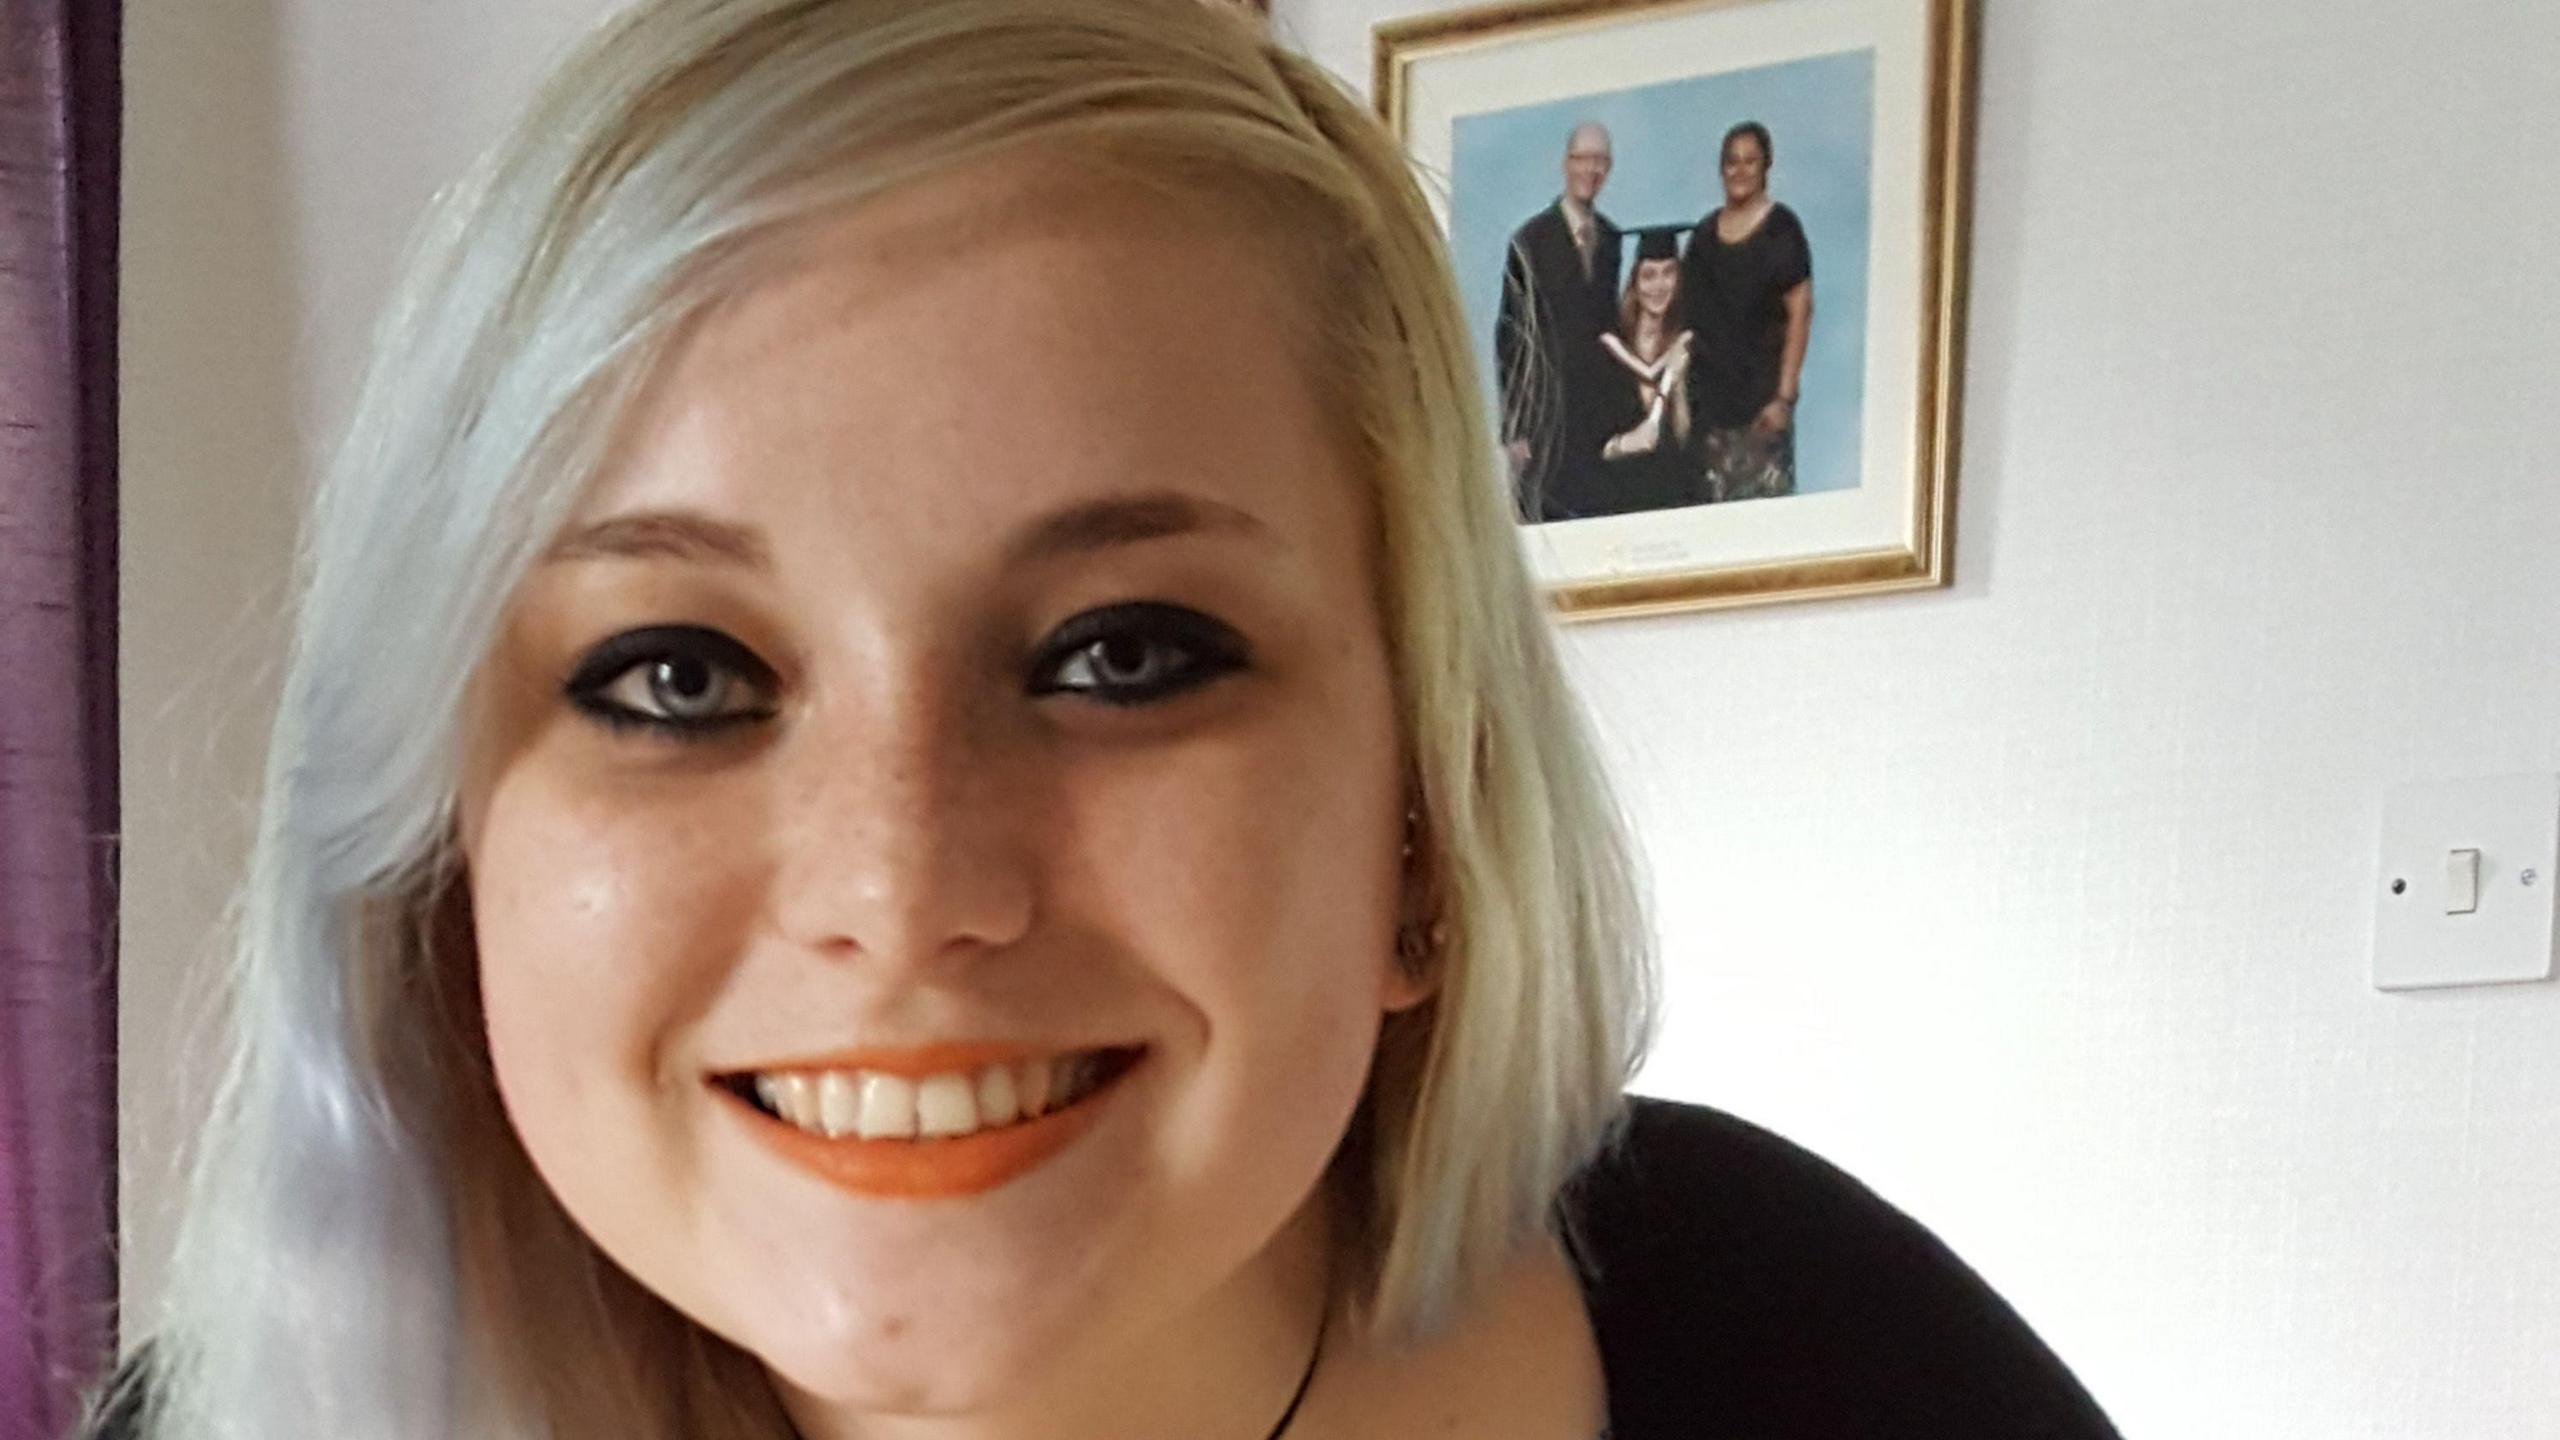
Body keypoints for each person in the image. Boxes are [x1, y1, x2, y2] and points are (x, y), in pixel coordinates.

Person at [83, 4, 2122, 1438]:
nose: (900, 892)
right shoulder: (253, 1411)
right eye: (676, 678)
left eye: (1122, 654)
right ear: (445, 858)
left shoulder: (1810, 1353)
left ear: (1420, 827)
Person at [1494, 122, 1622, 523]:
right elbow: (1510, 337)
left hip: (1596, 419)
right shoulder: (1530, 240)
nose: (1591, 170)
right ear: (1566, 164)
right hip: (1544, 420)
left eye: (1600, 161)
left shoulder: (1612, 240)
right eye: (1583, 159)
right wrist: (1515, 429)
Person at [1680, 120, 1813, 503]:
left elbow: (1800, 313)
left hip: (1762, 412)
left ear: (1765, 167)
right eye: (1731, 162)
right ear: (1721, 169)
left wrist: (1784, 399)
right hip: (1709, 415)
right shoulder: (1703, 236)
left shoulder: (1781, 228)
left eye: (1750, 161)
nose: (1740, 171)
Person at [1588, 227, 1700, 516]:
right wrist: (1625, 444)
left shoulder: (1687, 346)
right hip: (1617, 502)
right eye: (1649, 275)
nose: (1659, 286)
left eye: (1668, 273)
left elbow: (1688, 441)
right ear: (1634, 283)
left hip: (1674, 501)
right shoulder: (1608, 351)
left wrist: (1678, 385)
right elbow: (1591, 444)